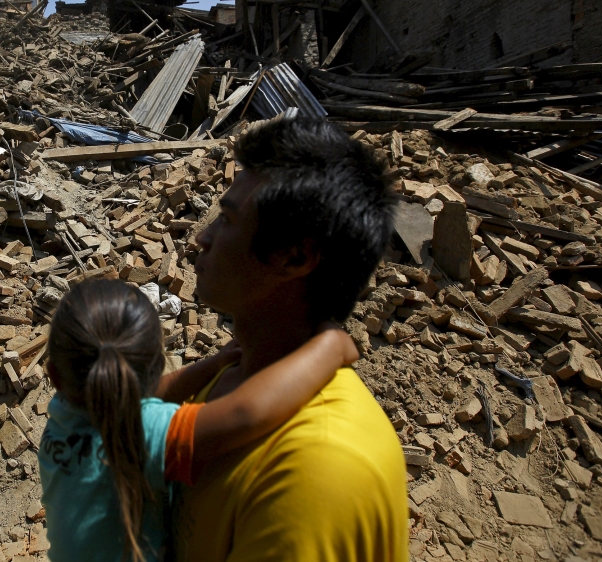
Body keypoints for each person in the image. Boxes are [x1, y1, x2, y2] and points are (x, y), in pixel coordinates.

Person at [171, 114, 408, 561]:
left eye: (226, 219)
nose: (203, 237)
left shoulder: (316, 471)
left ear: (294, 257)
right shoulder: (229, 375)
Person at [38, 279, 359, 562]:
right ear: (157, 362)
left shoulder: (64, 412)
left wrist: (213, 364)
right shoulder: (146, 432)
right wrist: (330, 348)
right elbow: (246, 413)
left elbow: (146, 396)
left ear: (54, 375)